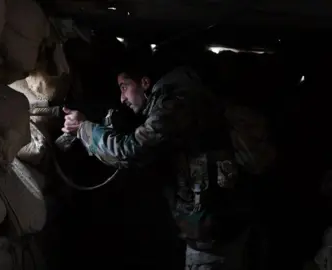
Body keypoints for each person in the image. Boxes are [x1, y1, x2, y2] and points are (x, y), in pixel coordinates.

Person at [61, 56, 251, 269]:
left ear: (144, 83)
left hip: (212, 235)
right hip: (211, 228)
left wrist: (84, 128)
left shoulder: (176, 104)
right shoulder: (175, 97)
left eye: (124, 87)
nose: (122, 97)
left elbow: (130, 151)